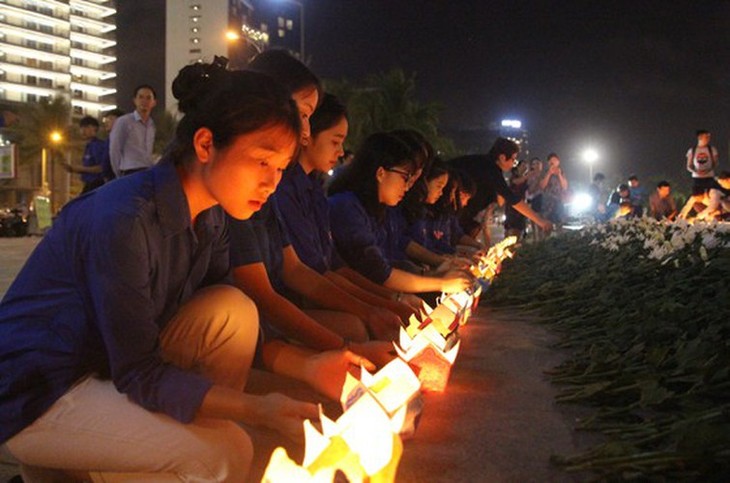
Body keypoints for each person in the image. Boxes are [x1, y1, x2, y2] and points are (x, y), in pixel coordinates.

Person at [0, 60, 362, 481]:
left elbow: (163, 350)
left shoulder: (210, 218)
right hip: (41, 390)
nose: (272, 183)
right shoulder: (125, 220)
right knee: (222, 453)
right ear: (206, 145)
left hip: (106, 366)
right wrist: (257, 409)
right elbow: (140, 370)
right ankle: (87, 461)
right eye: (262, 162)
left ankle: (139, 451)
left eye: (280, 168)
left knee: (232, 311)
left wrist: (309, 367)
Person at [277, 94, 421, 327]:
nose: (342, 151)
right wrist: (381, 306)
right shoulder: (291, 192)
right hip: (293, 302)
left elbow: (333, 267)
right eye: (335, 141)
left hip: (311, 296)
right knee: (357, 327)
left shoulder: (315, 190)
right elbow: (307, 273)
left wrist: (389, 301)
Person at [328, 131, 473, 295]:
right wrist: (438, 281)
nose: (410, 184)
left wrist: (436, 272)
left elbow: (388, 262)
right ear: (381, 173)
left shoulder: (378, 210)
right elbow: (377, 272)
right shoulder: (347, 207)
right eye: (406, 176)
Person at [449, 138, 553, 238]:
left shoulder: (481, 163)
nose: (513, 163)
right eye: (513, 159)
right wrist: (541, 222)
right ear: (502, 157)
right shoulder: (491, 169)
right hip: (450, 209)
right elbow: (512, 198)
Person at [109, 84, 157, 177]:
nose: (144, 101)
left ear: (154, 102)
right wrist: (118, 174)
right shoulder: (124, 121)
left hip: (146, 171)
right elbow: (115, 149)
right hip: (129, 171)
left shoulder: (152, 125)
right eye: (141, 97)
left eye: (148, 98)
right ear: (135, 100)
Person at [62, 116, 109, 193]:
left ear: (94, 128)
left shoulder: (97, 146)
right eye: (81, 128)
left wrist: (79, 169)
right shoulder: (89, 146)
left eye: (86, 127)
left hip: (96, 184)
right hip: (88, 184)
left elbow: (100, 168)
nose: (83, 131)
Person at [686, 129, 720, 197]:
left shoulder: (712, 149)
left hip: (709, 177)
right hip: (697, 178)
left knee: (711, 196)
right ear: (699, 137)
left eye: (709, 137)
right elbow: (688, 166)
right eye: (706, 137)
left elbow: (716, 163)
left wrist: (708, 170)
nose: (708, 139)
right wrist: (696, 171)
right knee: (698, 197)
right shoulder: (692, 150)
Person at [539, 153, 569, 225]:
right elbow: (542, 186)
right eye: (551, 161)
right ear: (548, 162)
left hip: (559, 201)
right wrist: (549, 174)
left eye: (555, 160)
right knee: (548, 224)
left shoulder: (561, 172)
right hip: (547, 202)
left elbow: (565, 187)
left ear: (558, 162)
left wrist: (559, 175)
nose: (553, 163)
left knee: (560, 223)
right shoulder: (545, 172)